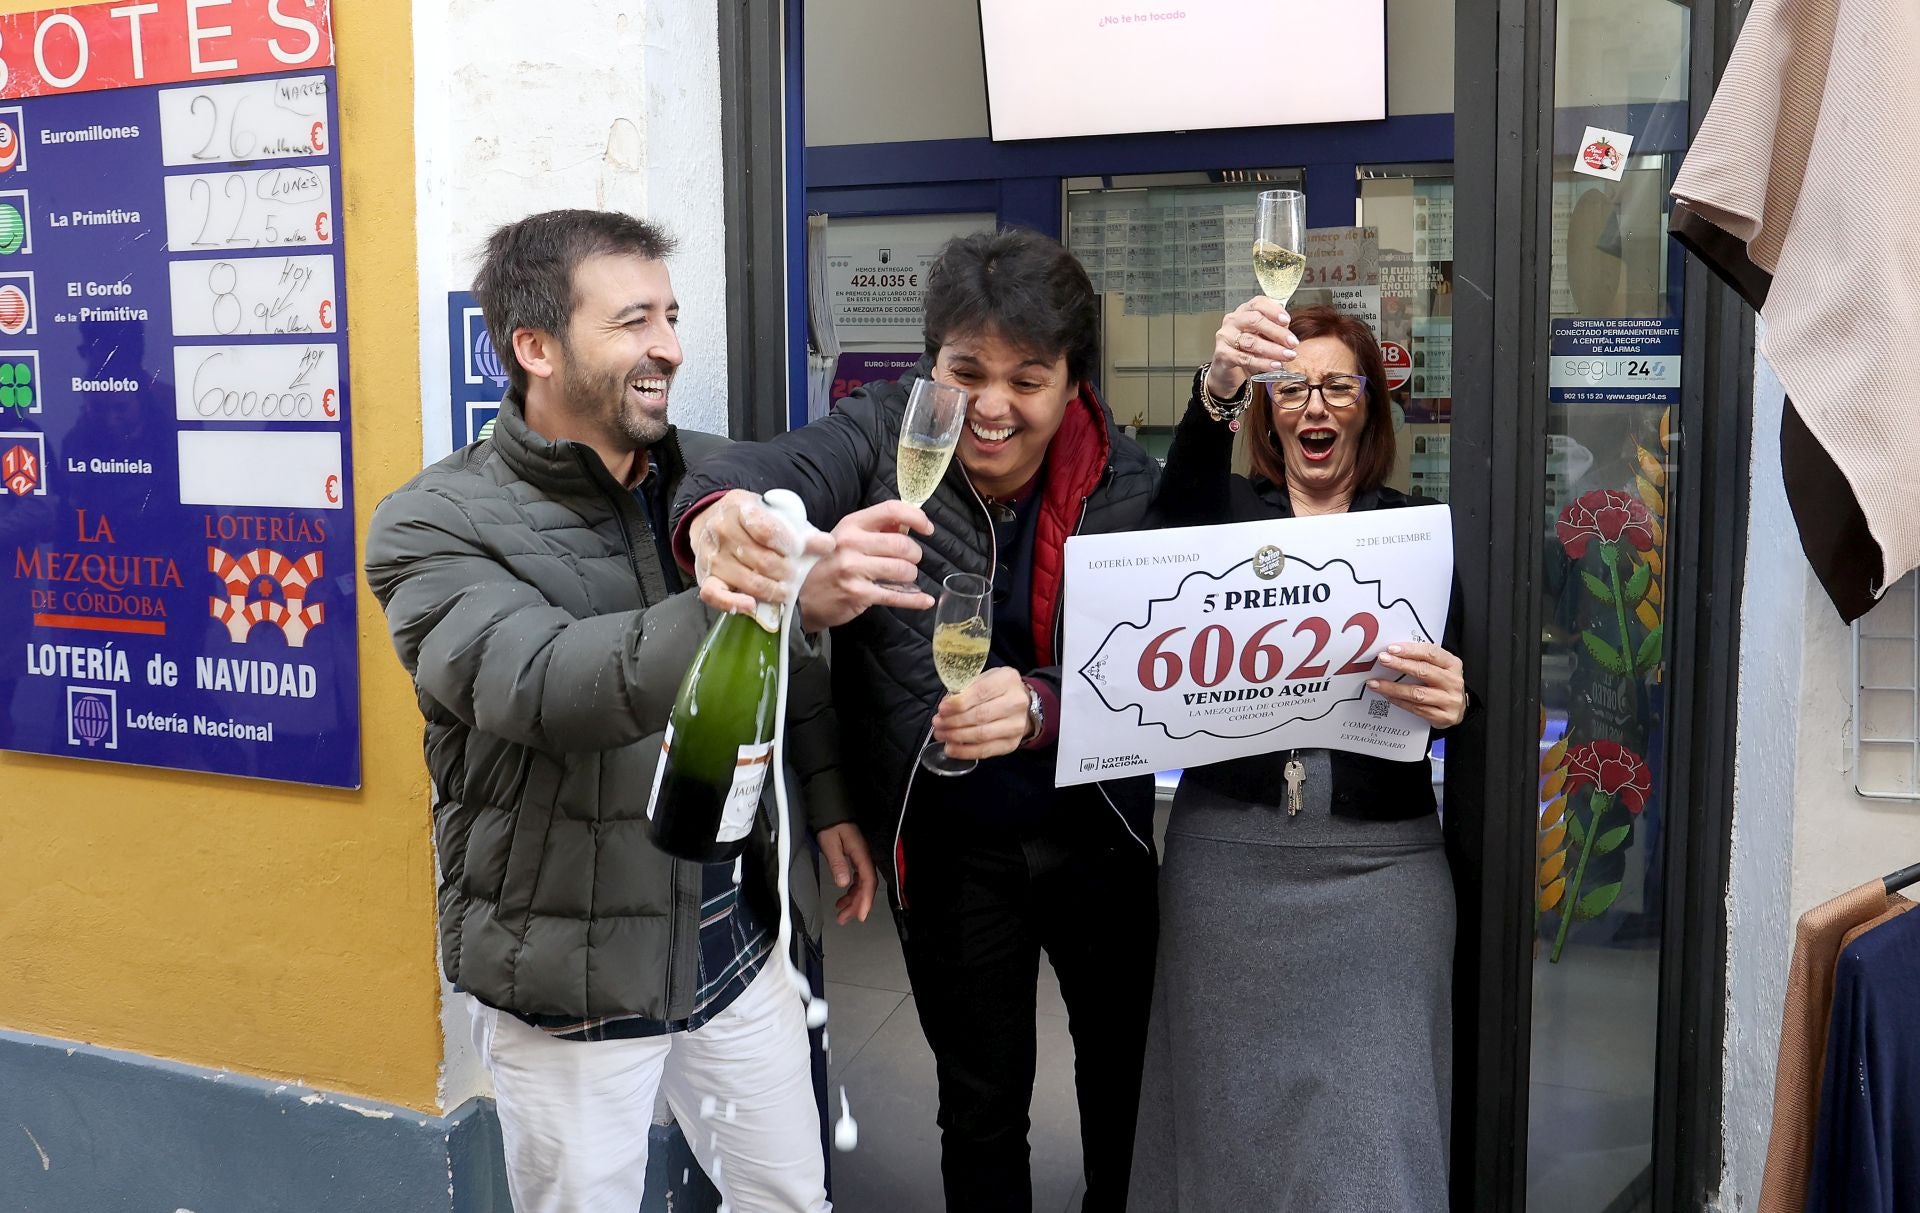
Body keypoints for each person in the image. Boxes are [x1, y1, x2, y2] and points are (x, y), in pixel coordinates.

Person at [364, 209, 875, 1213]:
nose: (670, 348)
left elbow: (793, 677)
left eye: (671, 317)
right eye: (635, 320)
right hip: (574, 976)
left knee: (788, 1197)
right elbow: (541, 682)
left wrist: (828, 797)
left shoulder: (710, 477)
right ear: (536, 346)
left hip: (737, 947)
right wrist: (749, 597)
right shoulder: (431, 521)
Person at [672, 229, 1161, 1212]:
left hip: (1097, 832)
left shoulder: (1125, 482)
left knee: (1127, 1088)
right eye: (965, 372)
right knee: (980, 1105)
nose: (991, 406)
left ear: (1073, 383)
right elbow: (747, 470)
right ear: (931, 365)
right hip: (947, 845)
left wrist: (1043, 704)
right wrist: (724, 514)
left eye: (1027, 380)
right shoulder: (883, 434)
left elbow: (1157, 669)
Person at [1127, 301, 1469, 1211]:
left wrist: (1457, 705)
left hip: (1382, 880)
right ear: (1269, 413)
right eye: (1291, 388)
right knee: (1228, 1137)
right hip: (1228, 874)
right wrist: (1219, 385)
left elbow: (1456, 692)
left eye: (1337, 387)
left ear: (1369, 409)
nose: (1314, 405)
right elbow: (1167, 522)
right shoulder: (1223, 516)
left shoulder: (1415, 530)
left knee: (1378, 1144)